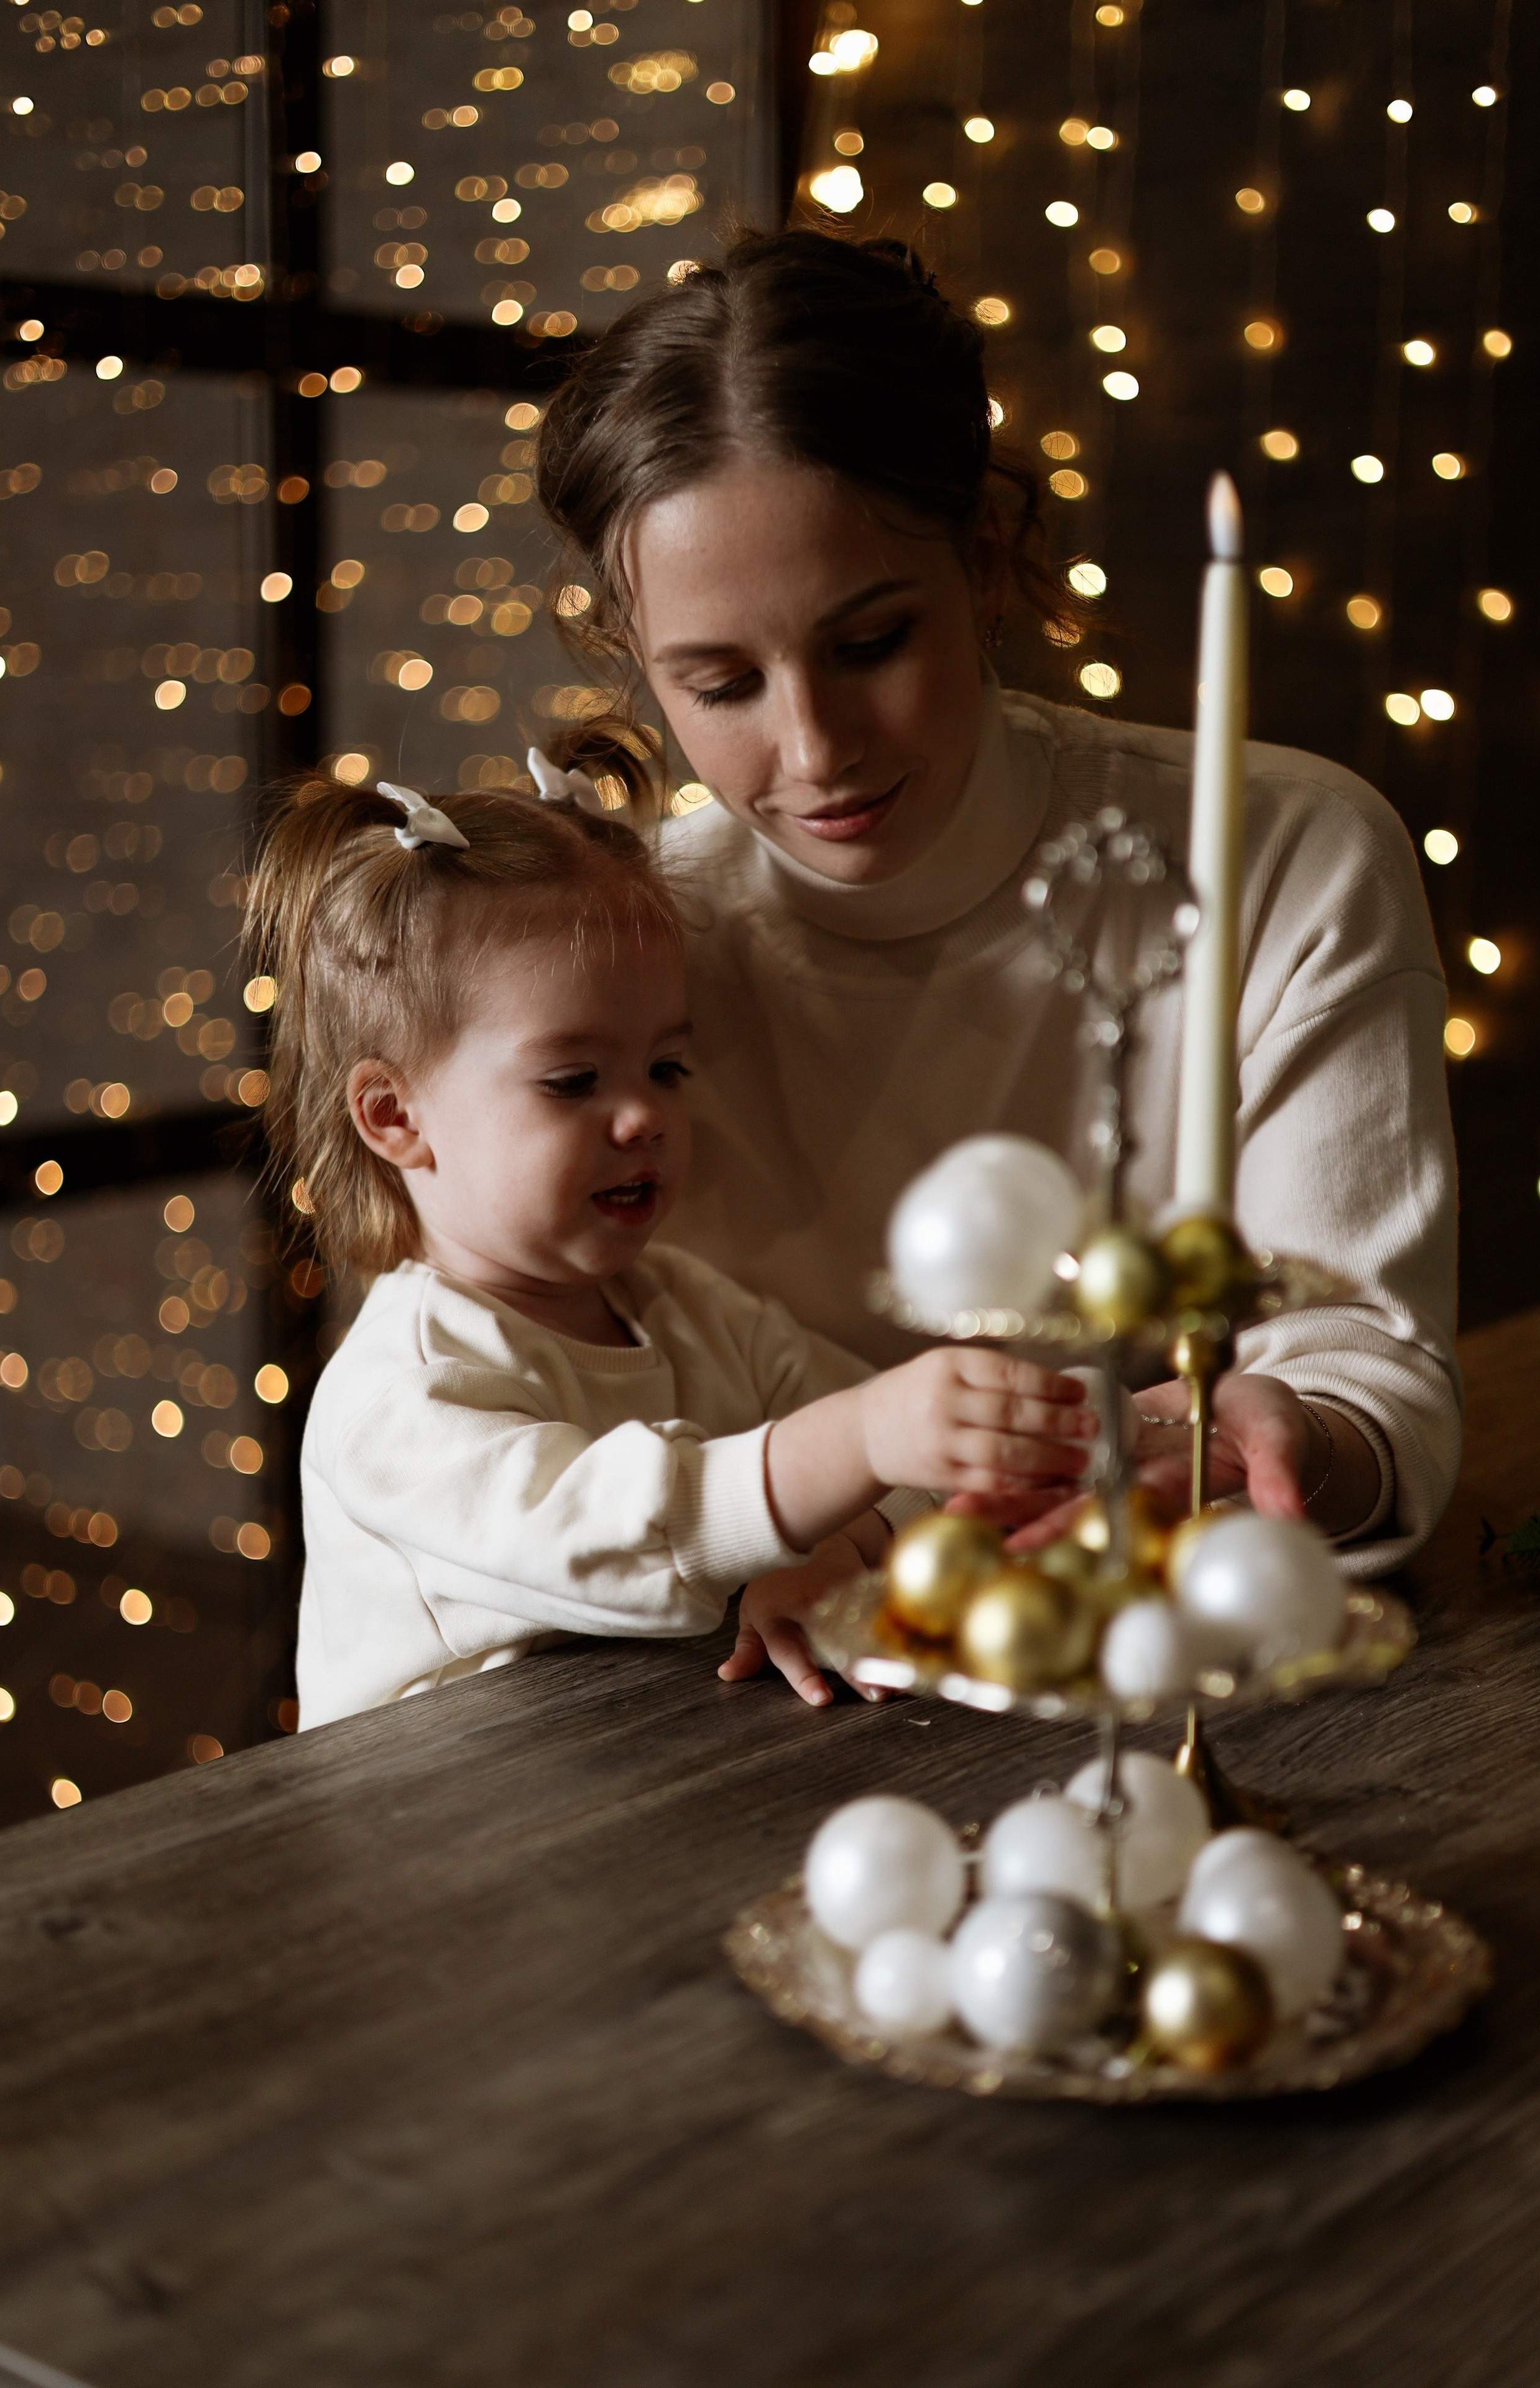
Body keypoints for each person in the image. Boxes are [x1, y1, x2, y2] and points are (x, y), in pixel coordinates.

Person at [533, 226, 1460, 1698]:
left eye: (872, 640)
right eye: (719, 685)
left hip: (1180, 1657)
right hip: (739, 1695)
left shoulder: (1283, 855)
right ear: (631, 660)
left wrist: (1291, 1436)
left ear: (982, 560)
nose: (815, 750)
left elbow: (1364, 1378)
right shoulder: (619, 961)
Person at [246, 774, 1097, 1728]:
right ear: (395, 1116)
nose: (646, 1115)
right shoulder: (402, 1395)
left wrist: (848, 1543)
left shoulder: (685, 1306)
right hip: (446, 1829)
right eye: (573, 1081)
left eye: (666, 1068)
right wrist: (860, 1436)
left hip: (661, 1776)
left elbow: (911, 1466)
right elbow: (619, 1536)